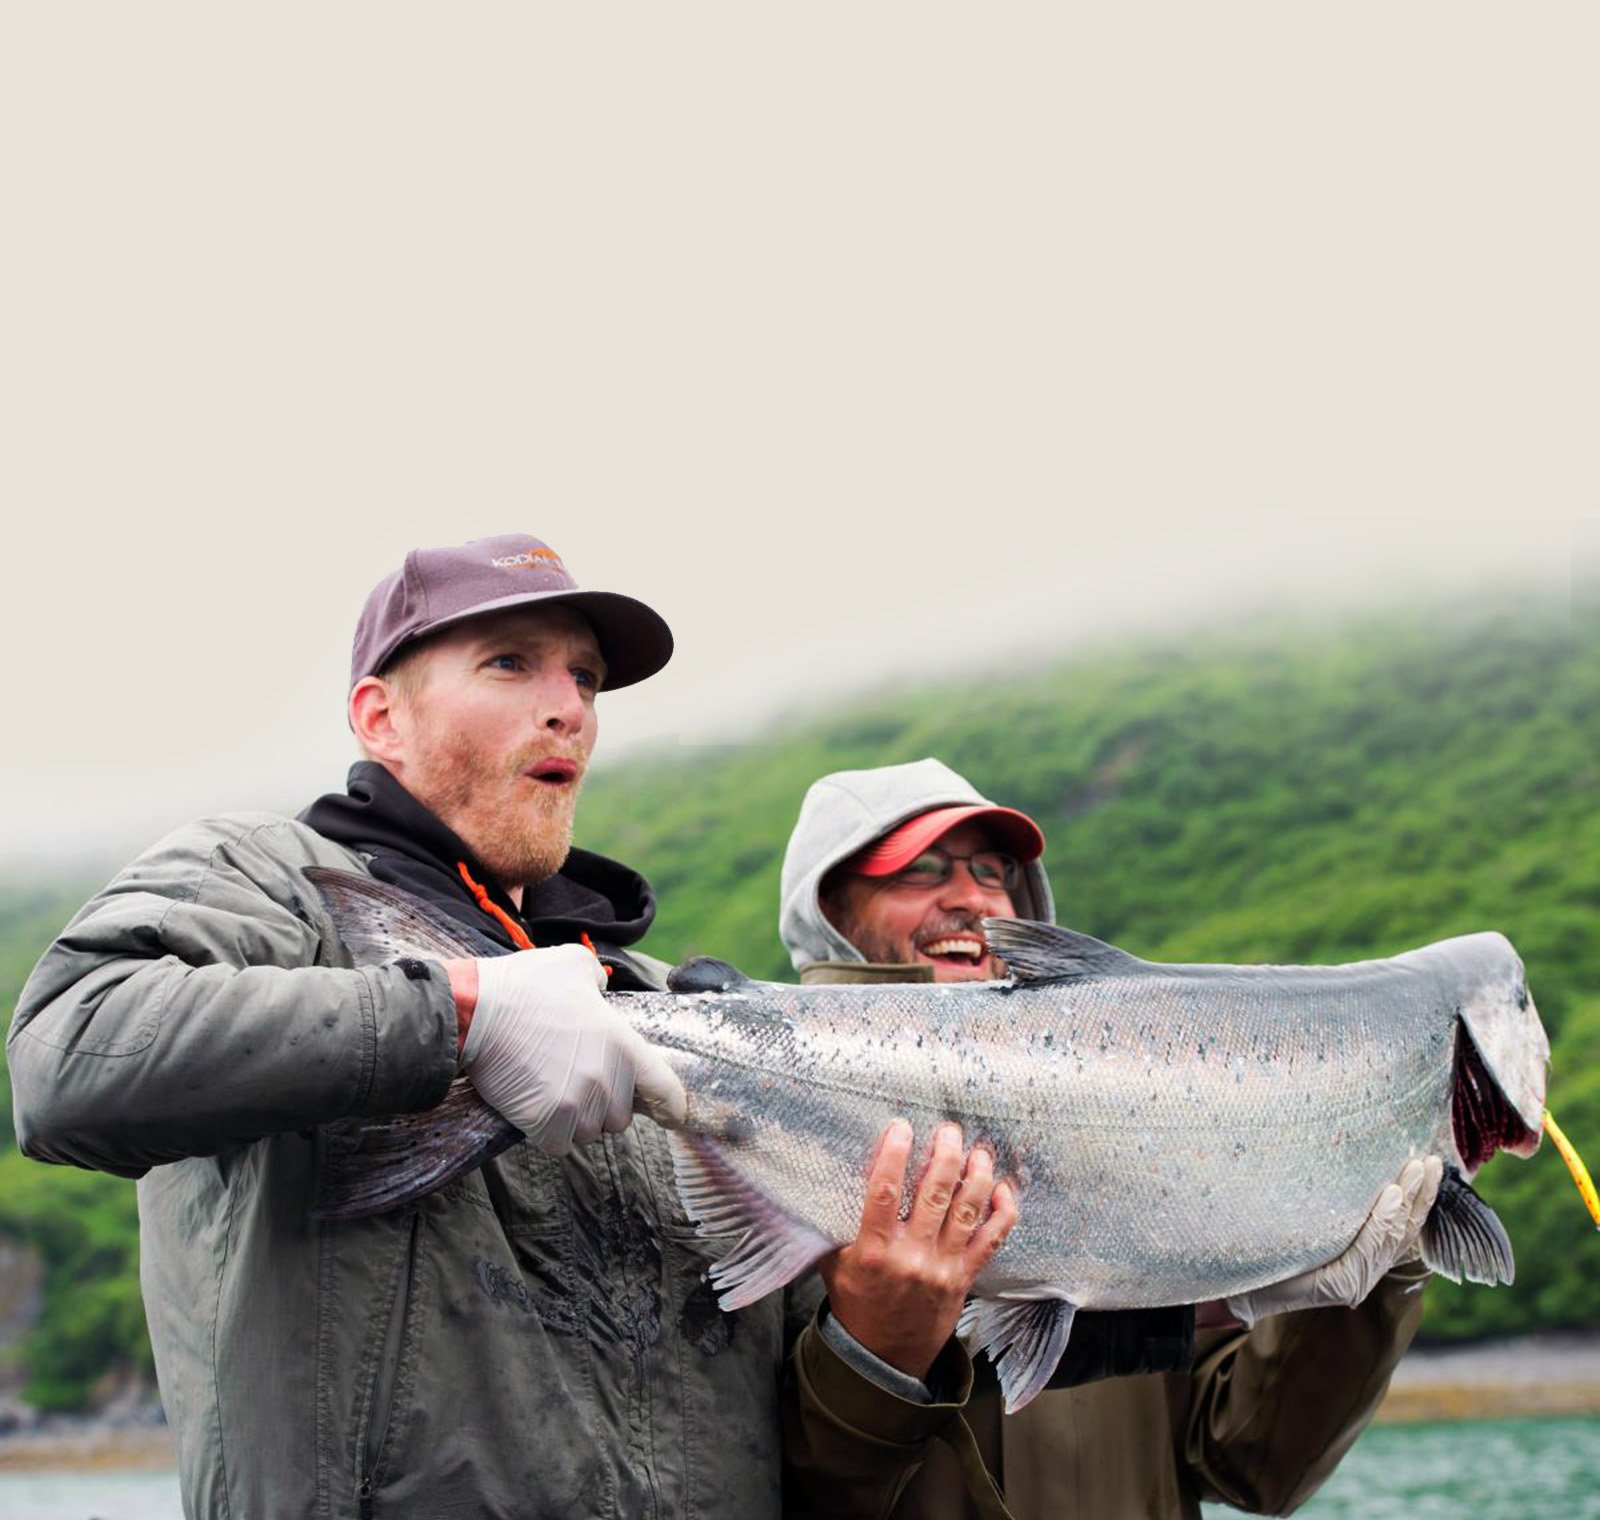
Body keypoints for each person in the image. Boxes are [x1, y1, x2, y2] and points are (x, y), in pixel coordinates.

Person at [6, 536, 1015, 1520]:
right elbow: (64, 1051)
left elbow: (818, 1467)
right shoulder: (265, 878)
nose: (568, 705)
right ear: (380, 717)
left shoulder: (669, 1008)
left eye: (585, 678)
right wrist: (455, 1013)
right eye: (510, 663)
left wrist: (878, 1348)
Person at [779, 757, 1439, 1520]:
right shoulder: (754, 1148)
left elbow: (1253, 1460)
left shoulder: (1145, 1133)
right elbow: (752, 1480)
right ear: (829, 909)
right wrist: (875, 1353)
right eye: (920, 870)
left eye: (994, 873)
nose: (970, 897)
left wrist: (1374, 1273)